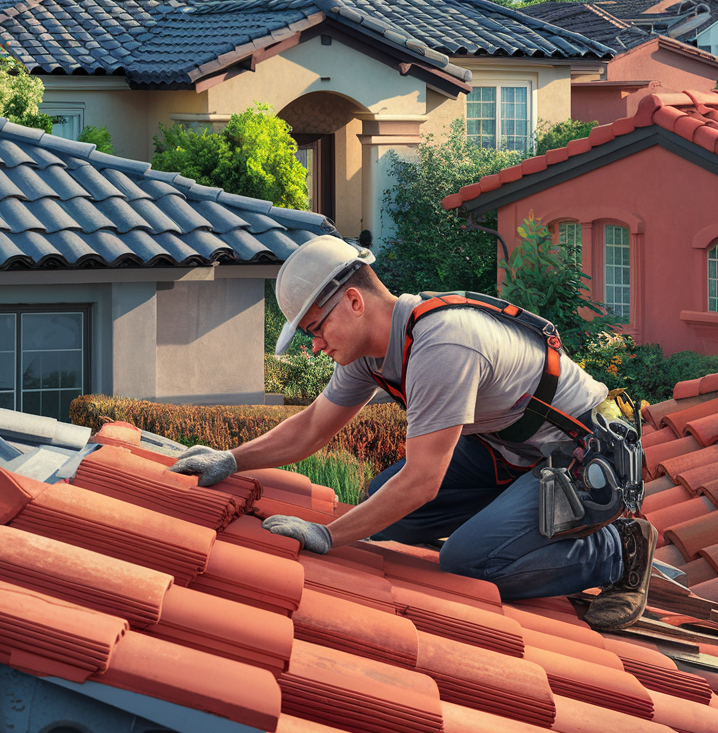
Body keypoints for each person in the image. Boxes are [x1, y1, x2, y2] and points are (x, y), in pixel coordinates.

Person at [170, 236, 656, 631]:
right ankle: (509, 527)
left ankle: (618, 548)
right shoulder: (371, 352)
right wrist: (231, 459)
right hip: (511, 453)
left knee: (468, 562)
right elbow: (314, 425)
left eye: (317, 329)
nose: (316, 347)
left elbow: (423, 481)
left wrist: (329, 535)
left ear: (354, 302)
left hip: (584, 462)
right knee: (384, 506)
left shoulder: (443, 345)